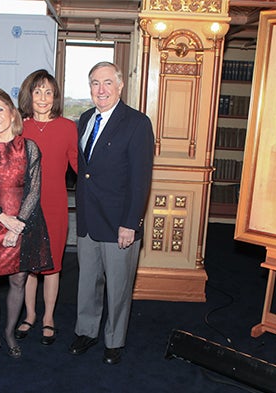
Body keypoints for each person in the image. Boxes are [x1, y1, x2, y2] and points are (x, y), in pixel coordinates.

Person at [68, 62, 154, 365]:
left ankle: (114, 340)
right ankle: (86, 331)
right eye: (94, 83)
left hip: (120, 223)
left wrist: (130, 224)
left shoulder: (137, 123)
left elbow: (140, 179)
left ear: (119, 87)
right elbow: (84, 170)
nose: (100, 89)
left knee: (118, 286)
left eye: (107, 83)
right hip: (89, 219)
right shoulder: (84, 119)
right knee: (87, 281)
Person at [0, 86, 53, 366]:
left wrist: (18, 226)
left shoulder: (29, 147)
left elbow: (34, 190)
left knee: (18, 279)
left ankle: (9, 334)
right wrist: (3, 219)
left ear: (12, 112)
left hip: (24, 221)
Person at [15, 69, 78, 345]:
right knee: (28, 264)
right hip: (24, 206)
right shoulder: (19, 126)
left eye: (48, 92)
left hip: (55, 204)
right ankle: (29, 315)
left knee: (52, 264)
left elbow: (79, 164)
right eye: (37, 91)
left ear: (55, 97)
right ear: (29, 94)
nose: (42, 97)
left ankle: (49, 317)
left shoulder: (67, 127)